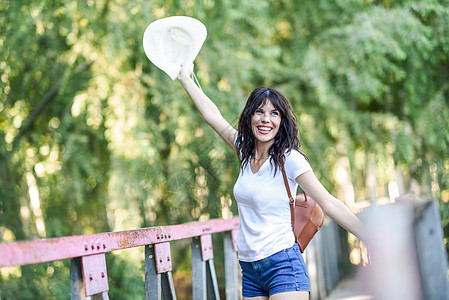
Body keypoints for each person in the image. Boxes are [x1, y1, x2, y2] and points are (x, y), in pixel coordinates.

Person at [177, 65, 365, 300]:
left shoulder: (290, 160)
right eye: (260, 112)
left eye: (274, 113)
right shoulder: (244, 150)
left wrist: (370, 237)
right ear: (250, 117)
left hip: (283, 264)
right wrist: (184, 77)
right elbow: (213, 116)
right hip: (249, 268)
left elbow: (329, 203)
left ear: (282, 121)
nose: (266, 119)